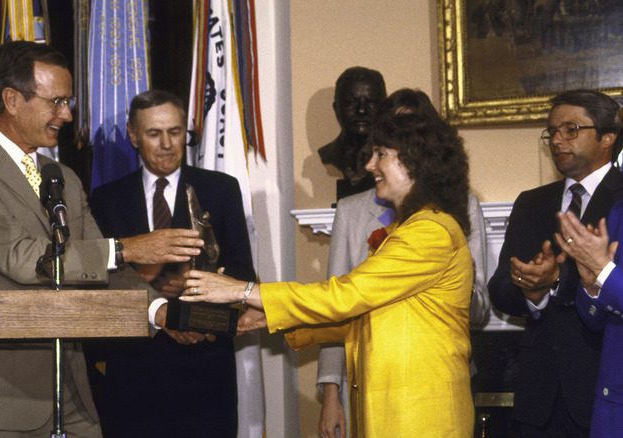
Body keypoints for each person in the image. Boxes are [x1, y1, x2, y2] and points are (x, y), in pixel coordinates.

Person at [0, 42, 203, 437]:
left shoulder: (63, 177)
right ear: (11, 99)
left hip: (74, 396)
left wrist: (163, 311)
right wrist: (127, 247)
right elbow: (24, 260)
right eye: (56, 101)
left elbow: (101, 269)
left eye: (68, 101)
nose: (67, 114)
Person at [184, 91, 475, 437]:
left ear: (414, 161)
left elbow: (345, 296)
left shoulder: (429, 232)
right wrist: (274, 318)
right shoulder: (407, 229)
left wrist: (243, 290)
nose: (370, 165)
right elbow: (368, 316)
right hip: (395, 412)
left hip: (420, 416)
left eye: (381, 154)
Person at [316, 89, 491, 438]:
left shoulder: (449, 215)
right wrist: (330, 393)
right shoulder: (352, 212)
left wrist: (452, 279)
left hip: (430, 389)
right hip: (371, 383)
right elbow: (339, 301)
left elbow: (480, 309)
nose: (371, 163)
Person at [85, 90, 256, 437]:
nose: (166, 144)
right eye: (153, 133)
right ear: (133, 135)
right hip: (133, 377)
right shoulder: (105, 200)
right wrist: (163, 313)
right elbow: (98, 284)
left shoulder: (221, 189)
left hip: (205, 372)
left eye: (175, 132)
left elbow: (242, 274)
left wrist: (201, 318)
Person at [487, 89, 623, 437]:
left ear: (608, 136)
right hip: (540, 393)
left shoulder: (621, 197)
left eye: (571, 129)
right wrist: (533, 290)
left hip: (603, 388)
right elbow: (501, 288)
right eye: (552, 132)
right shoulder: (532, 203)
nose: (558, 140)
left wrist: (557, 282)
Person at [554, 205, 623, 438]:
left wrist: (604, 271)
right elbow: (598, 320)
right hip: (611, 406)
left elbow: (609, 275)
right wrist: (592, 285)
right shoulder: (618, 213)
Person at [318, 66, 386, 200]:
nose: (361, 110)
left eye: (370, 102)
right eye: (351, 102)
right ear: (336, 108)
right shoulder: (329, 154)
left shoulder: (393, 157)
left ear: (383, 107)